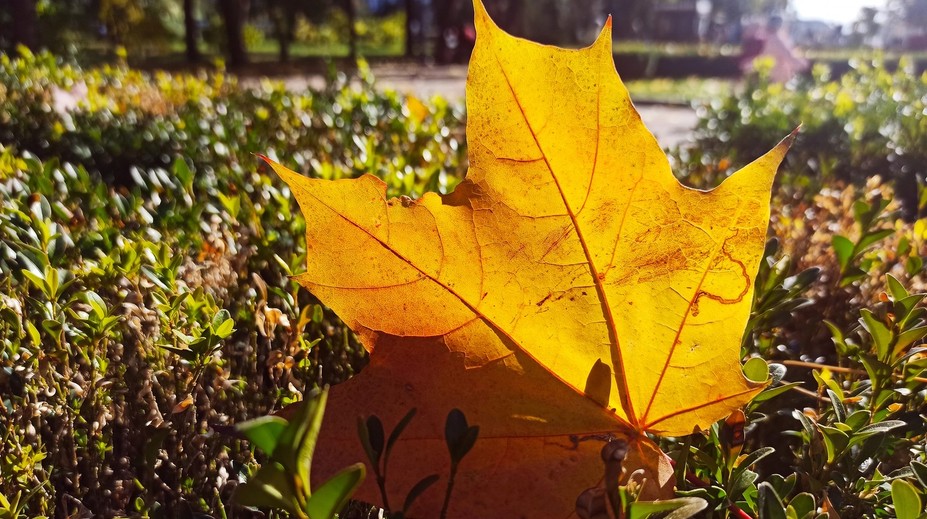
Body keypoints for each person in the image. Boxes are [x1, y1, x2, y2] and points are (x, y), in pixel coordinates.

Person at [741, 16, 808, 83]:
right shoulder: (776, 40)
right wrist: (805, 66)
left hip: (770, 78)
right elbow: (791, 60)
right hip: (776, 80)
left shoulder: (769, 38)